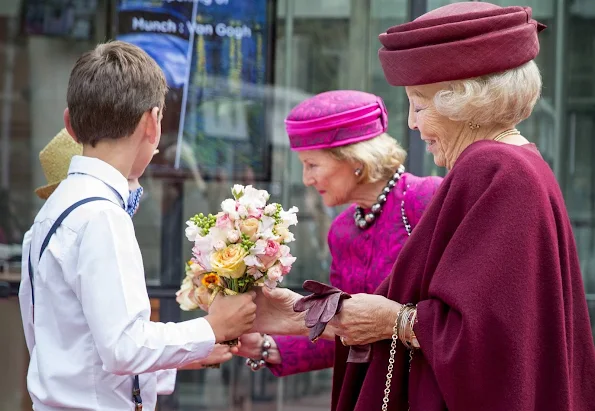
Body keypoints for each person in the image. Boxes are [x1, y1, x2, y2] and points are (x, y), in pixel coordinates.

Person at [251, 3, 595, 411]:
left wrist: (396, 320)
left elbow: (488, 342)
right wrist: (296, 314)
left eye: (419, 104)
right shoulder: (517, 163)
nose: (412, 124)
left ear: (464, 103)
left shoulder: (492, 167)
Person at [18, 41, 256, 411]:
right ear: (152, 122)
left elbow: (68, 347)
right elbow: (122, 348)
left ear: (70, 124)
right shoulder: (102, 216)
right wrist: (212, 327)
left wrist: (184, 352)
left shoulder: (56, 208)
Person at [237, 90, 442, 377]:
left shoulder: (425, 198)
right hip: (369, 390)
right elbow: (343, 330)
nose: (307, 179)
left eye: (312, 165)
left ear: (355, 160)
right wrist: (265, 345)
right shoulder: (343, 230)